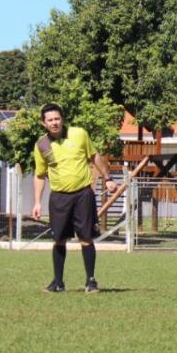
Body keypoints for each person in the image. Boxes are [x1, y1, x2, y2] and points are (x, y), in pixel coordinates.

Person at [30, 104, 118, 293]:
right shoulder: (41, 145)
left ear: (62, 119)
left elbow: (95, 156)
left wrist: (108, 178)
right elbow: (39, 175)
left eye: (57, 118)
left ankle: (91, 281)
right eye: (50, 120)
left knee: (86, 238)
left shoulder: (79, 134)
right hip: (59, 197)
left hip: (83, 194)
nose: (54, 122)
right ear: (43, 123)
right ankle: (58, 283)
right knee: (59, 239)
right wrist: (37, 202)